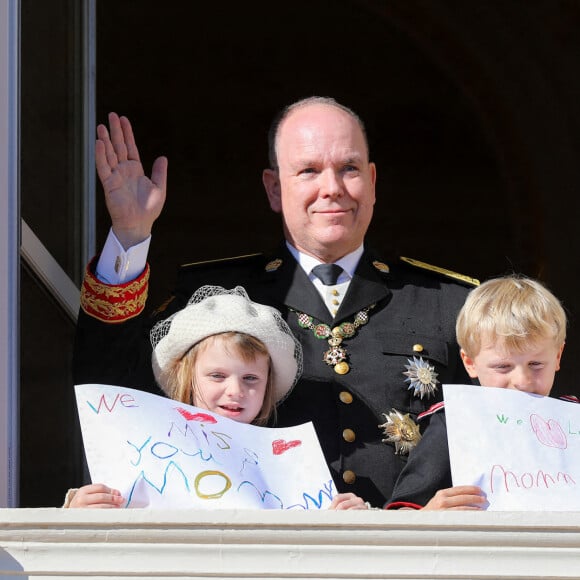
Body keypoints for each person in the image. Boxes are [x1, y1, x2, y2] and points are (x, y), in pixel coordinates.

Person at [73, 96, 479, 508]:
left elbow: (502, 427)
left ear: (372, 181)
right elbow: (112, 385)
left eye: (349, 169)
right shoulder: (217, 296)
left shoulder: (451, 305)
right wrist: (129, 235)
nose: (332, 188)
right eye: (308, 171)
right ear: (273, 188)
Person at [66, 285, 367, 509]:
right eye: (217, 376)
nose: (235, 390)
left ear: (268, 387)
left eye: (250, 378)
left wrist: (348, 517)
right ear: (186, 378)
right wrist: (80, 510)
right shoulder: (140, 449)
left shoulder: (297, 466)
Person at [386, 274, 575, 510]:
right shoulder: (454, 422)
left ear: (557, 356)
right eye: (503, 367)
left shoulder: (573, 421)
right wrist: (429, 514)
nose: (522, 381)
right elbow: (403, 511)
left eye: (536, 364)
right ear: (470, 363)